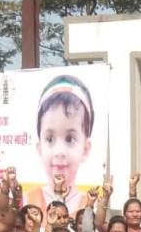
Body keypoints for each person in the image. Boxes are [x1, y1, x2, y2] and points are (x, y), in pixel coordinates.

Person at [26, 75, 94, 216]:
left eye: (70, 139)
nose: (59, 152)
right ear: (39, 149)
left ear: (85, 149)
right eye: (50, 139)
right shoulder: (28, 200)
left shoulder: (90, 204)